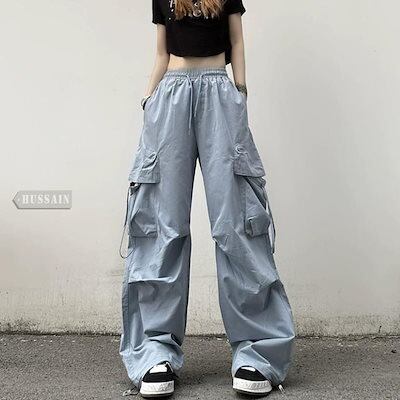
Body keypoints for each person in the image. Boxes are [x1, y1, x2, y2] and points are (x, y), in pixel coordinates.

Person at [119, 0, 295, 397]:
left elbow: (237, 43)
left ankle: (257, 351)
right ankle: (154, 351)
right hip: (170, 95)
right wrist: (148, 98)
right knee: (161, 224)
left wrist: (240, 93)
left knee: (237, 222)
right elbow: (161, 53)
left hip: (219, 91)